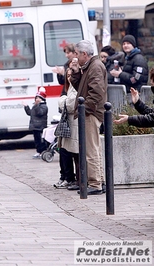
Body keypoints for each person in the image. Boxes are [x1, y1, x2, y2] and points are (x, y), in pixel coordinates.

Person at [69, 40, 107, 195]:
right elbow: (82, 89)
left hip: (92, 113)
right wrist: (76, 73)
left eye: (77, 54)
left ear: (84, 54)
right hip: (91, 111)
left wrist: (86, 109)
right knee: (93, 148)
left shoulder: (95, 66)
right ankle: (99, 180)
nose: (76, 57)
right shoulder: (90, 66)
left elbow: (96, 92)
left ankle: (95, 183)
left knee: (91, 149)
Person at [53, 64, 79, 190]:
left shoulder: (75, 88)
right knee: (63, 150)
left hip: (74, 125)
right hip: (67, 125)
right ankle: (65, 176)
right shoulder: (67, 88)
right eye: (67, 76)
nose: (69, 78)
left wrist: (62, 101)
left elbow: (69, 104)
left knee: (73, 153)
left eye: (71, 75)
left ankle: (72, 179)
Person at [22, 87, 48, 159]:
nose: (37, 99)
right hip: (35, 126)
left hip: (40, 126)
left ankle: (42, 151)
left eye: (39, 98)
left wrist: (36, 106)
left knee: (41, 140)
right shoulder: (35, 106)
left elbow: (40, 113)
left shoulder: (44, 106)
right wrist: (26, 107)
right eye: (36, 98)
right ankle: (38, 151)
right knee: (36, 140)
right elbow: (30, 113)